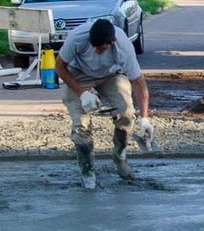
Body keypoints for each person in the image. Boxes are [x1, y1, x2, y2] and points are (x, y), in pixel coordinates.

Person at [53, 18, 151, 189]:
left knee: (126, 112)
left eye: (101, 48)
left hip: (110, 75)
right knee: (81, 125)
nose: (96, 50)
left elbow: (139, 83)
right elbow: (59, 67)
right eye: (94, 46)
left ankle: (120, 155)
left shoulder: (124, 47)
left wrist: (144, 118)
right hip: (78, 73)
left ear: (112, 42)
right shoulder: (77, 37)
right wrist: (82, 93)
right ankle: (88, 171)